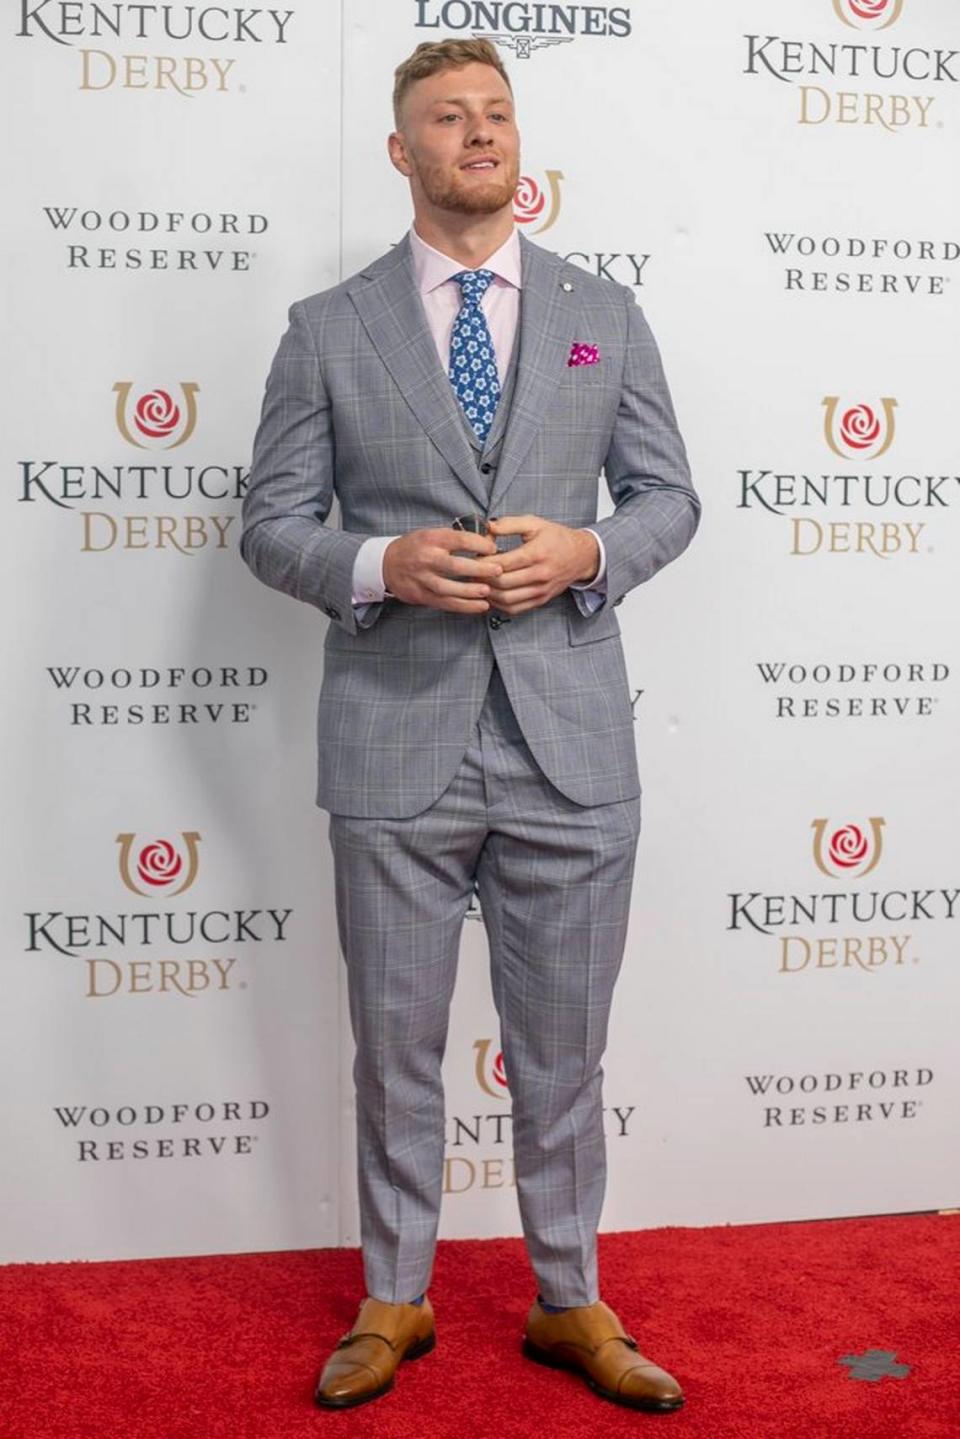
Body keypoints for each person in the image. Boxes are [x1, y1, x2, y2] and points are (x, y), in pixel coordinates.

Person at [241, 37, 700, 1414]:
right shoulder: (329, 329)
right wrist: (383, 566)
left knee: (565, 1050)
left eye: (496, 113)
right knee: (396, 1043)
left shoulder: (602, 313)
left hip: (570, 742)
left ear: (520, 142)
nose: (479, 133)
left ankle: (569, 1300)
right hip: (396, 738)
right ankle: (397, 1296)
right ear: (402, 152)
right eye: (447, 116)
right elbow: (269, 525)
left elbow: (671, 500)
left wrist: (587, 554)